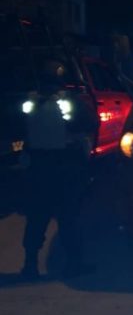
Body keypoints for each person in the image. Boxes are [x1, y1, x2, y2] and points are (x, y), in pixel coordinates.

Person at [19, 58, 99, 280]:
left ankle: (30, 265)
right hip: (65, 166)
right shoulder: (69, 101)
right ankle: (74, 264)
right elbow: (90, 123)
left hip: (38, 167)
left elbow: (19, 128)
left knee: (36, 217)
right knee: (68, 218)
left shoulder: (30, 101)